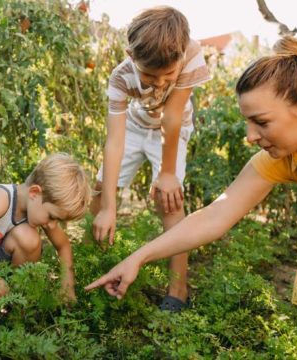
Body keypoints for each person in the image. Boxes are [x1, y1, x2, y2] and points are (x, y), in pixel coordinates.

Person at [85, 36, 297, 317]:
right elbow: (215, 216)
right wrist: (137, 258)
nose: (250, 137)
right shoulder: (283, 158)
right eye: (248, 123)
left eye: (262, 122)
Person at [90, 6, 210, 311]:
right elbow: (115, 141)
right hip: (134, 125)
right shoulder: (120, 78)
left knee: (169, 199)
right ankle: (94, 262)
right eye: (148, 75)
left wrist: (167, 174)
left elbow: (172, 117)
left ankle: (178, 290)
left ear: (181, 56)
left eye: (166, 75)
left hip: (174, 127)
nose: (158, 83)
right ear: (131, 56)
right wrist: (109, 206)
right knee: (99, 190)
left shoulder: (192, 54)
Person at [0, 153, 91, 301]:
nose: (52, 225)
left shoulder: (40, 207)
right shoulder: (1, 199)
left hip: (0, 269)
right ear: (34, 193)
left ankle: (14, 302)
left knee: (29, 237)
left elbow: (63, 245)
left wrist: (67, 287)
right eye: (52, 217)